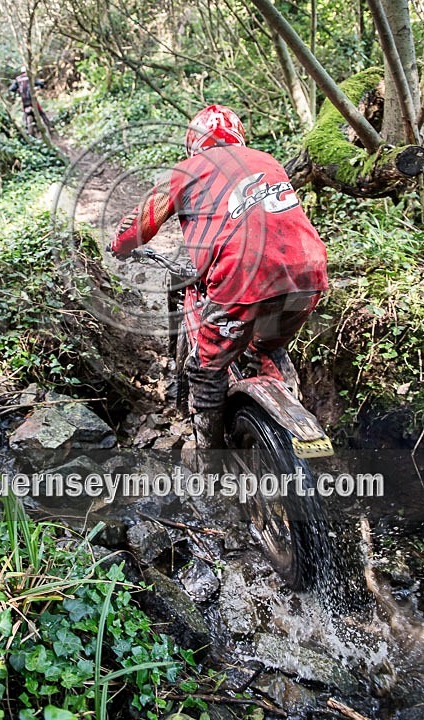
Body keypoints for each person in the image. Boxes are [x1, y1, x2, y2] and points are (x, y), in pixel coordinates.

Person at [107, 105, 328, 471]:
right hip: (307, 273)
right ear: (239, 137)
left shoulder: (186, 171)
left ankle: (210, 464)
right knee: (270, 341)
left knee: (207, 369)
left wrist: (119, 245)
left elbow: (142, 224)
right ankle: (291, 403)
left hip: (242, 280)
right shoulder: (266, 160)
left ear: (194, 143)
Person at [9, 67, 49, 134]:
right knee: (41, 112)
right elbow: (41, 84)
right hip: (32, 100)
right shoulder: (30, 78)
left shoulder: (18, 79)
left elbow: (11, 89)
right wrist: (41, 86)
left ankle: (25, 127)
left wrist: (18, 90)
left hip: (24, 101)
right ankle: (49, 126)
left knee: (24, 114)